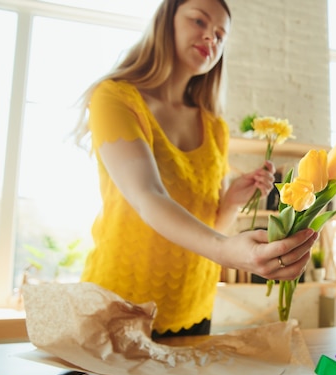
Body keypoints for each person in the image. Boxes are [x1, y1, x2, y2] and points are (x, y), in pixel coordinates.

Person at [72, 0, 317, 337]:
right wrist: (229, 251)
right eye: (199, 22)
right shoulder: (114, 99)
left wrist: (231, 201)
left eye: (220, 34)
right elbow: (147, 195)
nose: (210, 38)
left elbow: (210, 224)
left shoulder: (213, 125)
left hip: (195, 306)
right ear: (166, 21)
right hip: (121, 303)